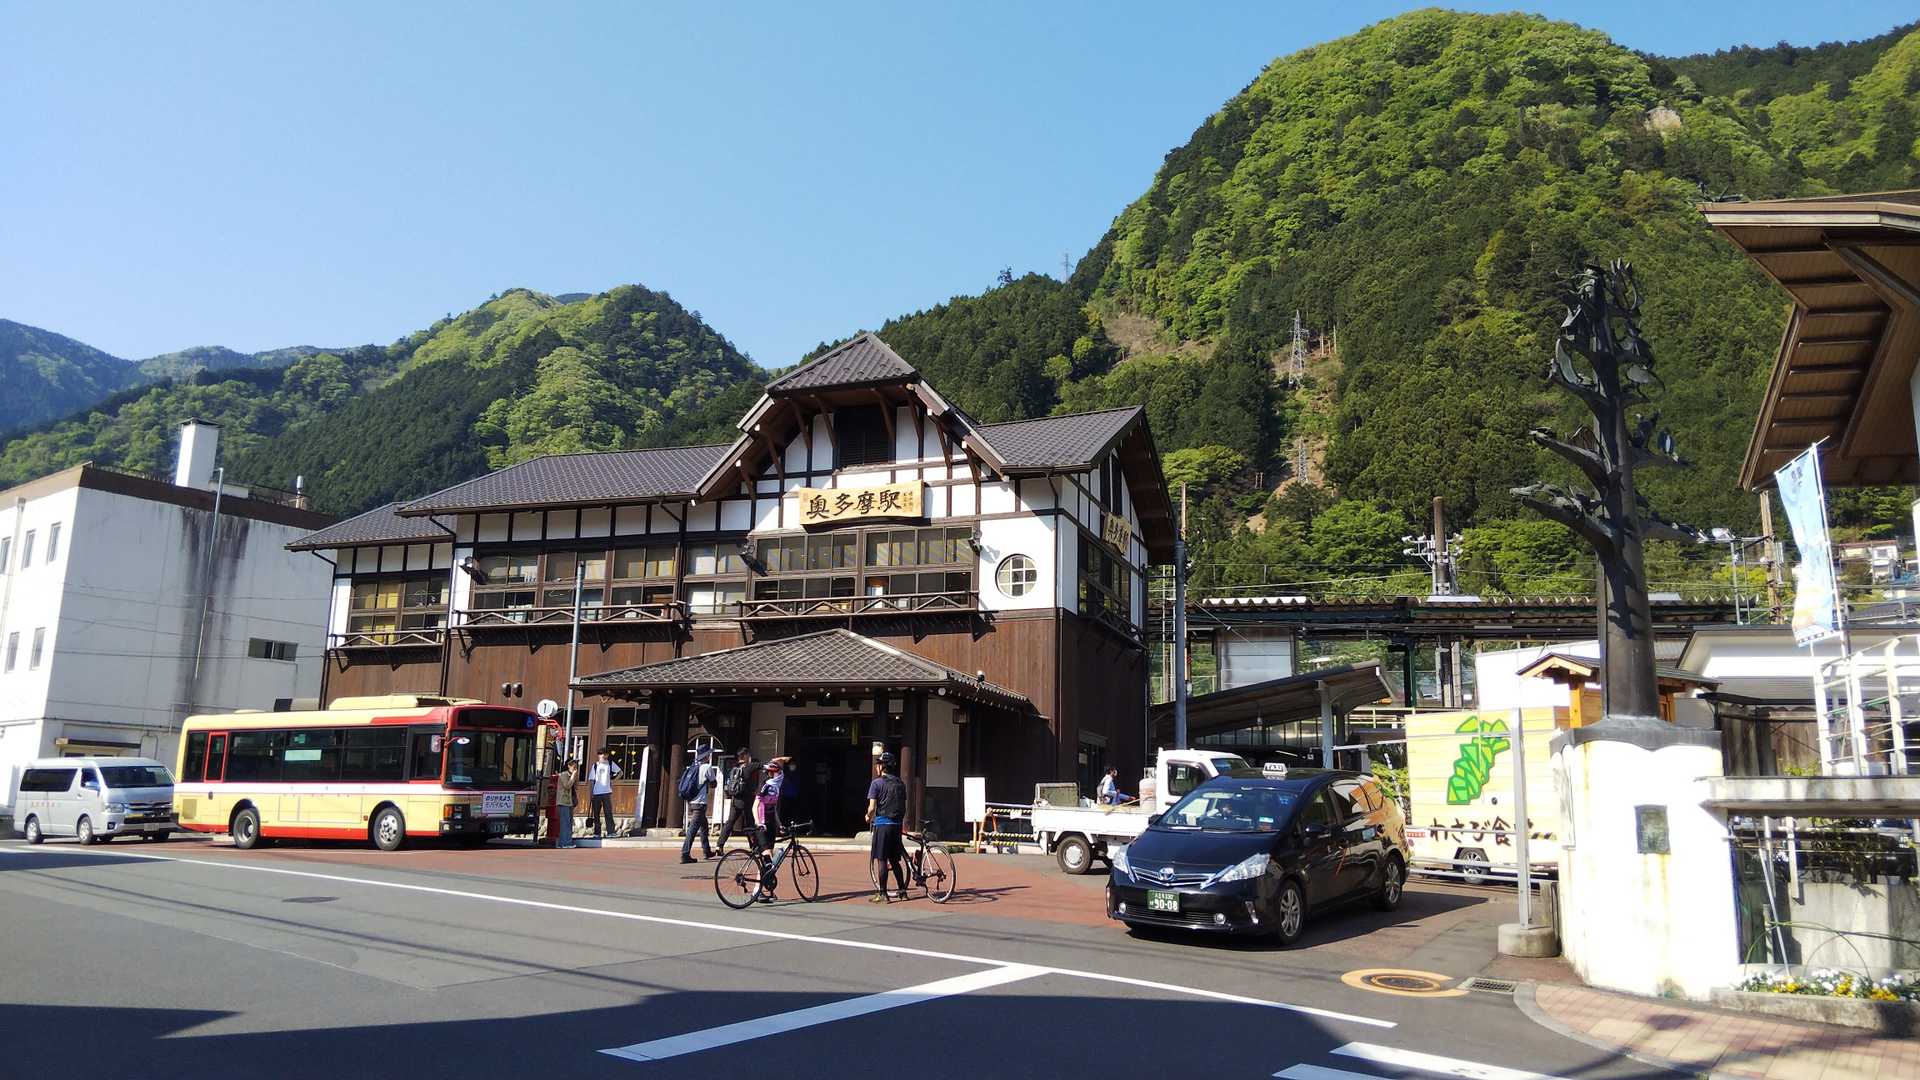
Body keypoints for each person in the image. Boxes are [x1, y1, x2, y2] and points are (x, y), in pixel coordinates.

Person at [865, 752, 909, 903]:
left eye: (878, 764)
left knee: (882, 859)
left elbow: (872, 807)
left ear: (882, 766)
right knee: (895, 860)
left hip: (883, 825)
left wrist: (867, 816)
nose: (876, 766)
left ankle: (883, 893)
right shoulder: (900, 783)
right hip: (896, 826)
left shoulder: (876, 783)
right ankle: (902, 891)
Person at [715, 748, 760, 851]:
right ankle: (754, 846)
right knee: (750, 823)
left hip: (735, 800)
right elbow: (763, 765)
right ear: (746, 756)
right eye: (748, 755)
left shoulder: (734, 767)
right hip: (747, 800)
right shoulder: (749, 767)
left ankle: (719, 845)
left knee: (730, 822)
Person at [679, 746, 718, 864]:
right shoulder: (707, 767)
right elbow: (713, 783)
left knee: (704, 826)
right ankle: (685, 854)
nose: (709, 756)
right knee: (692, 830)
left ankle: (707, 850)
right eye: (708, 754)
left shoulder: (693, 767)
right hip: (700, 803)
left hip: (692, 802)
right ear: (706, 756)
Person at [753, 756, 791, 856]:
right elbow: (755, 806)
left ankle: (764, 867)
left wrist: (779, 824)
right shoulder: (765, 786)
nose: (779, 776)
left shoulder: (776, 788)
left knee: (770, 855)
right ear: (771, 773)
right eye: (777, 773)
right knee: (767, 854)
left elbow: (773, 809)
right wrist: (758, 823)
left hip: (771, 824)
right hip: (762, 824)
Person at [589, 747, 620, 838]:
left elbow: (620, 772)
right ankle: (597, 833)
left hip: (607, 792)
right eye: (600, 754)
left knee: (608, 813)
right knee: (596, 814)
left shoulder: (610, 764)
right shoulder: (595, 766)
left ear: (607, 755)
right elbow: (591, 780)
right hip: (596, 792)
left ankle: (611, 832)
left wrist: (613, 781)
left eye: (603, 754)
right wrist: (591, 793)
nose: (601, 755)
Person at [553, 757, 579, 849]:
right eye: (573, 767)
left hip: (570, 802)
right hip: (563, 801)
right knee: (565, 823)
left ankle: (562, 843)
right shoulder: (564, 775)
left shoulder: (573, 775)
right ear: (569, 766)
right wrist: (572, 776)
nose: (575, 769)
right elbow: (567, 786)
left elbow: (576, 787)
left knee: (569, 823)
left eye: (576, 767)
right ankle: (566, 843)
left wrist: (575, 776)